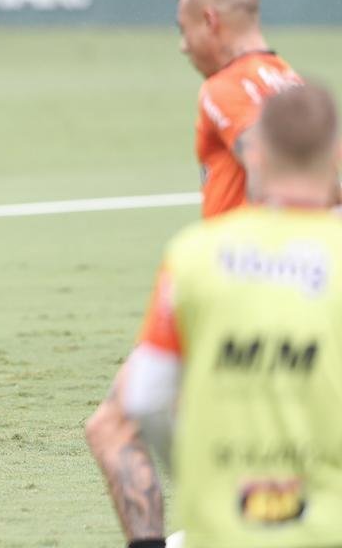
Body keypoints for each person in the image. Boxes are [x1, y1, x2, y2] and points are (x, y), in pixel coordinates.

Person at [85, 0, 303, 544]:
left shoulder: (225, 88)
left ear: (211, 21)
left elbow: (272, 173)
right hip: (304, 293)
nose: (182, 47)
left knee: (113, 427)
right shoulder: (291, 82)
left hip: (236, 297)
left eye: (184, 31)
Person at [106, 82, 342, 547]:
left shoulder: (194, 255)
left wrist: (197, 469)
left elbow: (146, 396)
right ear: (336, 155)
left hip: (221, 528)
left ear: (256, 156)